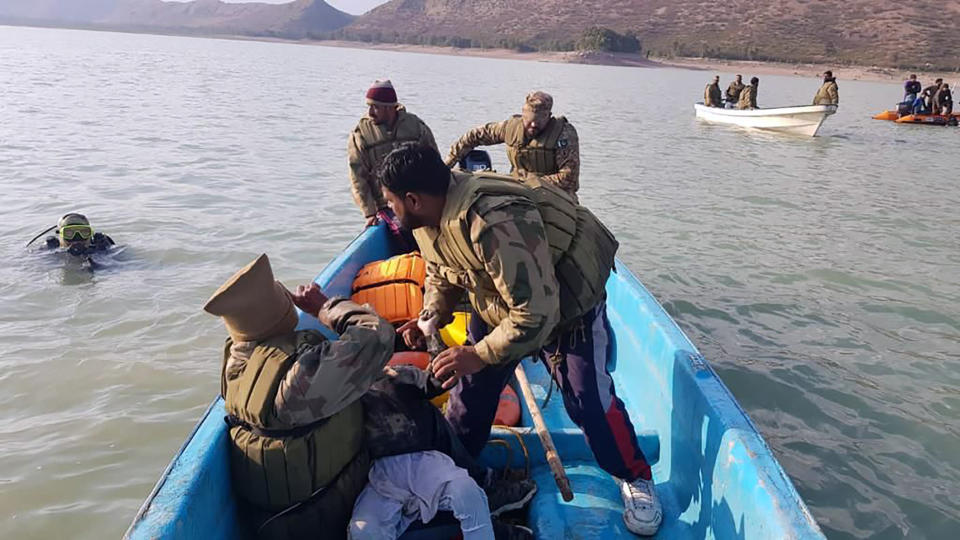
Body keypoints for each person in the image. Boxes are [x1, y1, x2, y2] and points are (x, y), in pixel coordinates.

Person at [379, 144, 662, 536]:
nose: (390, 213)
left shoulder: (493, 222)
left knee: (588, 402)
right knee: (469, 399)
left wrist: (478, 353)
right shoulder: (427, 217)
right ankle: (456, 475)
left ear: (413, 199)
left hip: (563, 306)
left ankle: (635, 475)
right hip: (498, 300)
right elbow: (441, 270)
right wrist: (430, 318)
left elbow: (537, 314)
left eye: (391, 203)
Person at [204, 254, 394, 539]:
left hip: (274, 523)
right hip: (327, 517)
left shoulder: (234, 366)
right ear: (278, 311)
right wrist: (324, 307)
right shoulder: (301, 373)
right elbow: (379, 336)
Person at [351, 365, 535, 539]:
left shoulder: (396, 377)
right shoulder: (340, 398)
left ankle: (494, 518)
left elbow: (440, 379)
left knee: (467, 492)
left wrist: (432, 336)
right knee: (364, 530)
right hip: (381, 479)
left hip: (425, 466)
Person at [444, 91, 581, 198]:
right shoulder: (511, 128)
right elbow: (474, 136)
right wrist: (447, 164)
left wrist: (529, 182)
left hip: (553, 193)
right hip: (517, 188)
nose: (533, 125)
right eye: (530, 120)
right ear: (523, 114)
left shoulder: (563, 134)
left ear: (549, 116)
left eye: (539, 121)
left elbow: (569, 178)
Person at [348, 79, 438, 227]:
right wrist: (369, 212)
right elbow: (357, 177)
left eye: (375, 107)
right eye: (369, 106)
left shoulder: (416, 127)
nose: (370, 112)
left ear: (390, 108)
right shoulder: (361, 134)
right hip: (385, 206)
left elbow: (434, 162)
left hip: (417, 201)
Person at [42, 213, 115, 256]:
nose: (77, 238)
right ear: (60, 235)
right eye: (69, 233)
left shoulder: (99, 249)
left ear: (90, 234)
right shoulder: (52, 252)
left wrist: (104, 250)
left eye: (84, 232)